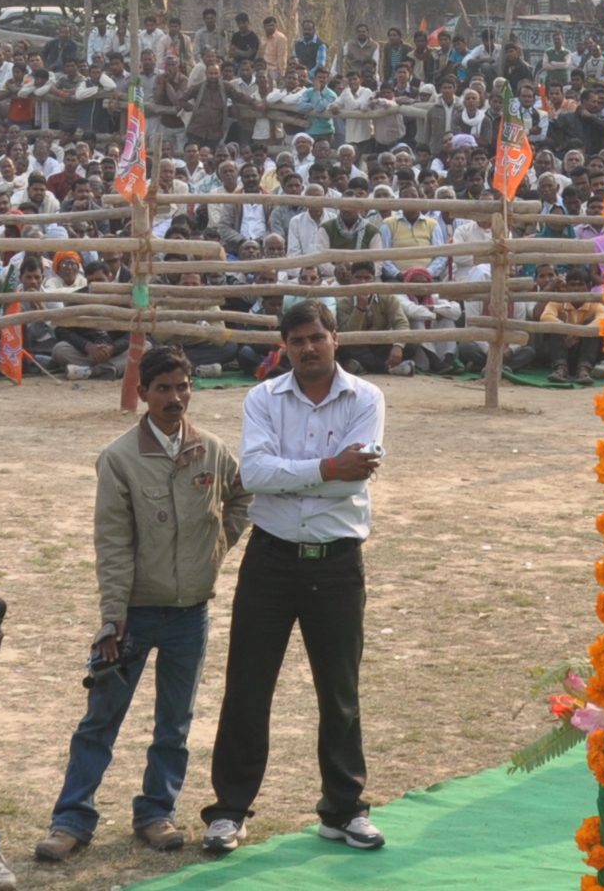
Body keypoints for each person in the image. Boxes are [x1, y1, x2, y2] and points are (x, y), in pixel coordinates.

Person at [36, 343, 246, 863]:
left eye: (183, 386)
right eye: (164, 389)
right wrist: (112, 618)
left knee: (174, 723)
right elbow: (111, 542)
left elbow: (242, 497)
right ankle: (71, 821)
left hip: (190, 612)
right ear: (143, 394)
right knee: (100, 721)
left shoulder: (213, 450)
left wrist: (216, 550)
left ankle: (156, 812)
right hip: (133, 613)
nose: (176, 398)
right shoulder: (119, 458)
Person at [200, 299, 384, 856]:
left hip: (337, 562)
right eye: (296, 340)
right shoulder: (263, 397)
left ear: (335, 339)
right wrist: (328, 467)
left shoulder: (366, 398)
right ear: (284, 346)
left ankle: (344, 809)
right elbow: (254, 474)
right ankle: (229, 811)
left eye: (316, 338)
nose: (307, 348)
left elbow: (356, 483)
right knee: (248, 688)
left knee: (340, 690)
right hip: (271, 559)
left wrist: (300, 477)